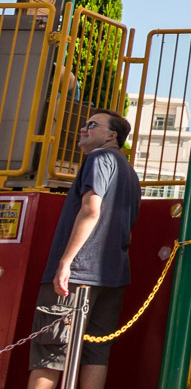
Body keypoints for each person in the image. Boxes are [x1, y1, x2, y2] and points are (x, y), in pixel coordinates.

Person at [27, 109, 140, 389]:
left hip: (79, 274)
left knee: (50, 352)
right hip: (113, 275)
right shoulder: (130, 172)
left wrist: (65, 262)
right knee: (96, 353)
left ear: (112, 135)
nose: (83, 129)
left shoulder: (99, 158)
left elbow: (91, 210)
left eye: (92, 125)